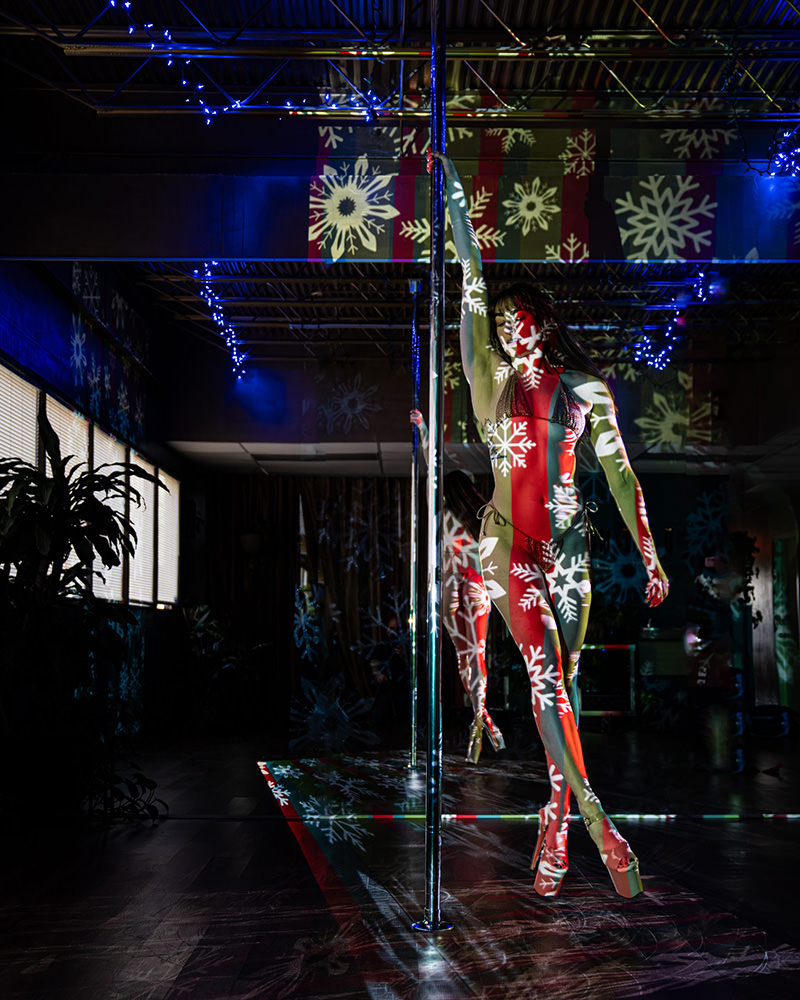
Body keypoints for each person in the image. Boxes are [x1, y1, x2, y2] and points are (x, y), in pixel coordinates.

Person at [427, 150, 669, 899]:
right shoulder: (487, 377)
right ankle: (598, 824)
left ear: (542, 321)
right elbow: (470, 277)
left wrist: (651, 556)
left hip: (570, 548)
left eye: (516, 313)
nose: (505, 323)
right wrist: (459, 215)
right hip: (505, 543)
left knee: (561, 686)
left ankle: (557, 814)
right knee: (541, 679)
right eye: (498, 320)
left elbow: (623, 476)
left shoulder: (587, 390)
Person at [410, 408, 505, 763]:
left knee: (464, 655)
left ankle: (481, 719)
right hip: (477, 585)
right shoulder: (482, 518)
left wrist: (423, 429)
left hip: (452, 586)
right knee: (475, 653)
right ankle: (481, 719)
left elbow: (433, 468)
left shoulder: (443, 514)